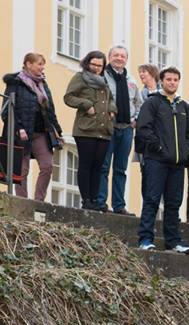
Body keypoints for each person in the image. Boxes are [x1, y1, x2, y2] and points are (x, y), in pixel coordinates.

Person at [135, 66, 189, 253]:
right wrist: (158, 147)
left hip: (177, 163)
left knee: (174, 203)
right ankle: (145, 239)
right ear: (162, 81)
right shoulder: (152, 103)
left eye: (175, 80)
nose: (172, 83)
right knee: (151, 199)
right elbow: (144, 128)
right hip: (156, 160)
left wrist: (186, 151)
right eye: (169, 79)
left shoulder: (183, 106)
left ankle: (173, 241)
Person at [2, 52, 62, 201]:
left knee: (47, 166)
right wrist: (18, 128)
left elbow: (50, 110)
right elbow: (7, 110)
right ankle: (22, 202)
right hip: (21, 133)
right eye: (39, 64)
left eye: (43, 64)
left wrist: (57, 131)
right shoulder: (15, 83)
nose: (42, 67)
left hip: (41, 132)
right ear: (28, 64)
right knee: (22, 170)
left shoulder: (42, 83)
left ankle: (38, 201)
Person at [63, 50, 116, 211]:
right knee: (86, 165)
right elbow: (68, 97)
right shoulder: (80, 77)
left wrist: (112, 109)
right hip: (85, 129)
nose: (97, 68)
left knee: (98, 167)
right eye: (94, 64)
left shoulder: (104, 80)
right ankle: (86, 200)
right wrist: (86, 105)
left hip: (104, 130)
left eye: (100, 65)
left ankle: (95, 200)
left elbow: (110, 99)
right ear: (87, 63)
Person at [97, 45, 140, 214]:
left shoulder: (131, 80)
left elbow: (138, 103)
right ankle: (100, 202)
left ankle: (119, 205)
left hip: (127, 128)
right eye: (116, 55)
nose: (119, 58)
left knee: (121, 169)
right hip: (108, 127)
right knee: (104, 166)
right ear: (109, 57)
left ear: (126, 60)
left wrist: (135, 120)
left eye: (123, 56)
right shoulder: (103, 76)